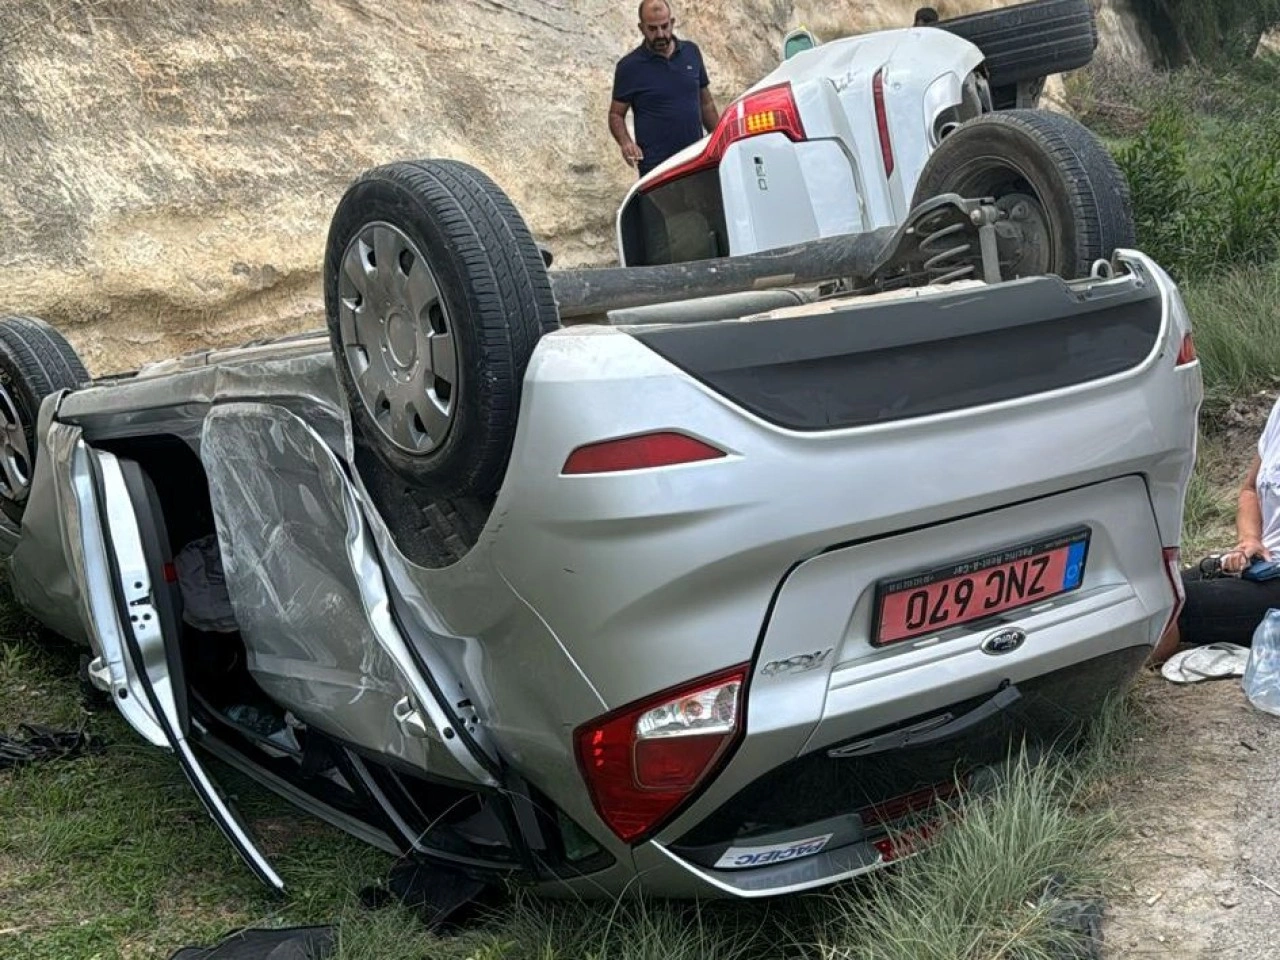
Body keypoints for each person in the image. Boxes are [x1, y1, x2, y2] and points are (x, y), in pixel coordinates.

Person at [1151, 394, 1280, 664]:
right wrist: (1250, 539)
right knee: (1156, 591)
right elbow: (1249, 490)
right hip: (1262, 565)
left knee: (1167, 610)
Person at [608, 0, 721, 177]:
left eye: (664, 26)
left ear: (672, 23)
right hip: (656, 170)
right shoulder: (629, 67)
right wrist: (626, 143)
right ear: (641, 28)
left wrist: (720, 141)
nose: (660, 34)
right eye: (652, 29)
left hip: (696, 160)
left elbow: (706, 104)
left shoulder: (691, 52)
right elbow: (616, 114)